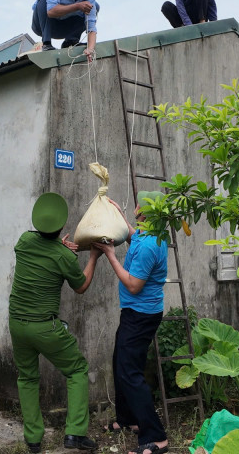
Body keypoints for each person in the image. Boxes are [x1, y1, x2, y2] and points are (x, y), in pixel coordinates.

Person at [8, 192, 99, 453]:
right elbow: (81, 286)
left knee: (27, 378)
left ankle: (34, 439)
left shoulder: (24, 241)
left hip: (17, 323)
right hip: (45, 327)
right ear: (61, 227)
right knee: (77, 370)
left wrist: (59, 244)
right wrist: (92, 256)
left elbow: (43, 246)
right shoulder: (65, 257)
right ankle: (75, 434)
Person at [91, 191, 170, 454]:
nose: (135, 207)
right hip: (134, 313)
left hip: (141, 315)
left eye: (138, 206)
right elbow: (133, 235)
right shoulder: (146, 235)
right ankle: (129, 420)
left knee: (130, 372)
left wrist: (110, 255)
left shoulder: (150, 245)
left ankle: (156, 437)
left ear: (145, 212)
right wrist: (119, 215)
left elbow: (134, 285)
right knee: (121, 364)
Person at [31, 0, 99, 61]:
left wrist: (90, 49)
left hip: (63, 28)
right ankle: (46, 43)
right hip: (42, 25)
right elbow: (51, 12)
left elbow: (91, 27)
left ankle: (70, 42)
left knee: (94, 6)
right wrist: (77, 6)